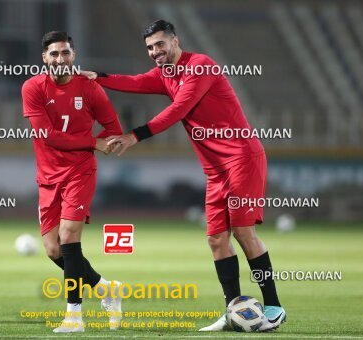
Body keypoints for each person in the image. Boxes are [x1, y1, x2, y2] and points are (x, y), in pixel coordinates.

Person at [83, 20, 286, 332]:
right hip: (216, 170)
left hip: (243, 158)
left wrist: (133, 136)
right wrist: (99, 77)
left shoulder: (200, 66)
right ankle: (234, 309)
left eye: (160, 44)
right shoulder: (166, 74)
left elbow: (178, 110)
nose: (155, 52)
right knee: (217, 240)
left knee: (244, 232)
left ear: (175, 41)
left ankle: (273, 307)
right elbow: (135, 82)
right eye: (150, 48)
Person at [22, 31, 124, 333]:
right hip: (48, 177)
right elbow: (49, 136)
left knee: (69, 237)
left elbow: (114, 128)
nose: (60, 59)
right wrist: (94, 143)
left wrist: (108, 143)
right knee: (54, 250)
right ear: (45, 58)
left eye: (65, 53)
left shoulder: (90, 90)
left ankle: (74, 317)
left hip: (80, 173)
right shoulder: (32, 88)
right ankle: (107, 289)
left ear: (73, 55)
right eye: (54, 54)